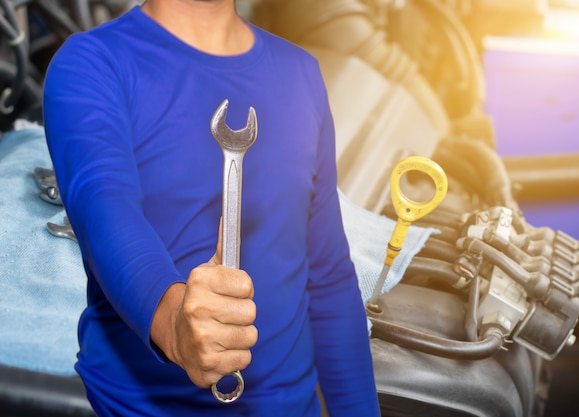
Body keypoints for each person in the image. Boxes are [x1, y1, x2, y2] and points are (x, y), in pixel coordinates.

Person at [42, 0, 380, 416]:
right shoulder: (92, 63)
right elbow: (105, 213)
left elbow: (328, 277)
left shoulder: (301, 73)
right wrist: (174, 326)